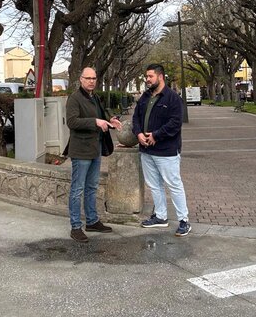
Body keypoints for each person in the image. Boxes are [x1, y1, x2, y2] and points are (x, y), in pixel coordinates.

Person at [132, 63, 191, 237]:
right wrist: (138, 134)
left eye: (150, 76)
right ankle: (160, 216)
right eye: (146, 76)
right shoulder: (145, 97)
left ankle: (184, 221)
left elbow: (175, 123)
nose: (147, 79)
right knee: (154, 185)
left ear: (160, 76)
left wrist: (156, 135)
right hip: (146, 150)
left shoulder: (173, 98)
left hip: (166, 151)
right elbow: (136, 117)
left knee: (174, 185)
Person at [65, 68, 122, 243]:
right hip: (81, 150)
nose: (91, 81)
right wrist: (95, 122)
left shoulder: (95, 97)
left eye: (94, 78)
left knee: (92, 187)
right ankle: (76, 227)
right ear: (81, 79)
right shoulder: (74, 98)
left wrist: (109, 121)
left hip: (95, 148)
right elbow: (72, 122)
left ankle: (92, 221)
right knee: (77, 190)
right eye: (87, 78)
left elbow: (101, 116)